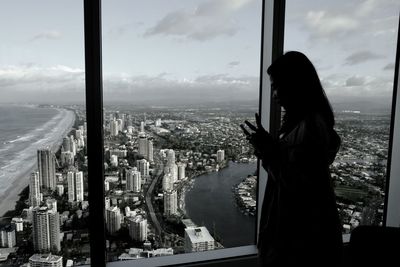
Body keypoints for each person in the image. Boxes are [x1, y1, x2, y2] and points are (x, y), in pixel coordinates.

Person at [241, 51, 343, 266]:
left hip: (300, 239)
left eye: (279, 86)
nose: (275, 95)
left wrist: (268, 150)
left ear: (297, 85)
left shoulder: (310, 129)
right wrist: (271, 147)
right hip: (305, 234)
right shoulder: (308, 124)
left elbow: (297, 184)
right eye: (272, 88)